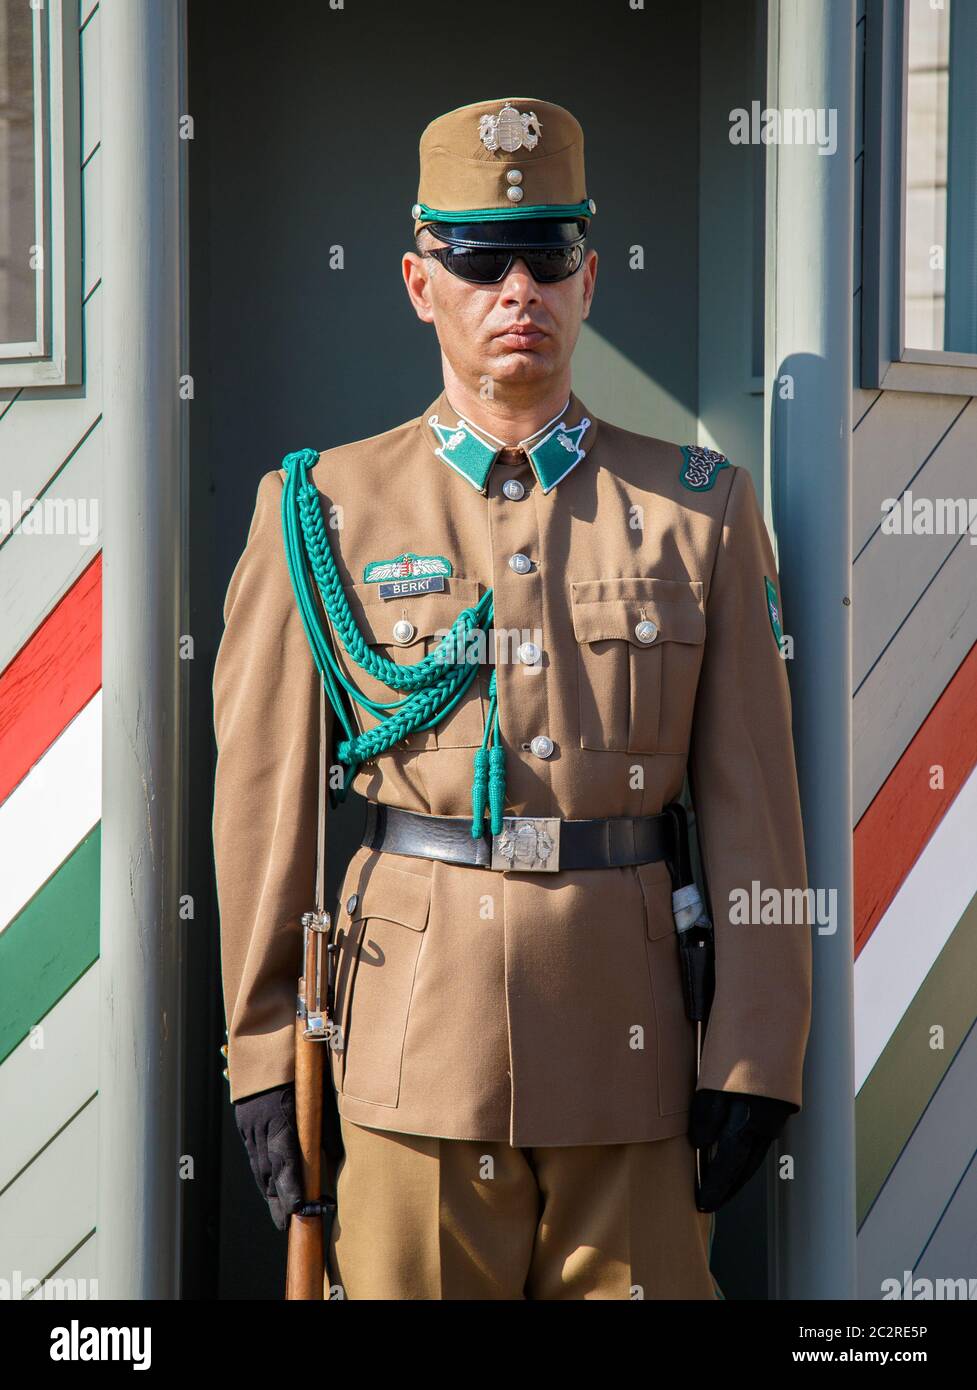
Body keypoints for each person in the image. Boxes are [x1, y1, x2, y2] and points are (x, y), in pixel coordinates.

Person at [212, 96, 812, 1300]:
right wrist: (266, 1052)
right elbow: (263, 813)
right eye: (479, 259)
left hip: (633, 1065)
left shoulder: (697, 510)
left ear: (589, 277)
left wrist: (755, 1048)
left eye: (546, 254)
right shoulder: (319, 510)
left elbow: (755, 804)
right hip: (406, 1059)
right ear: (417, 279)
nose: (516, 288)